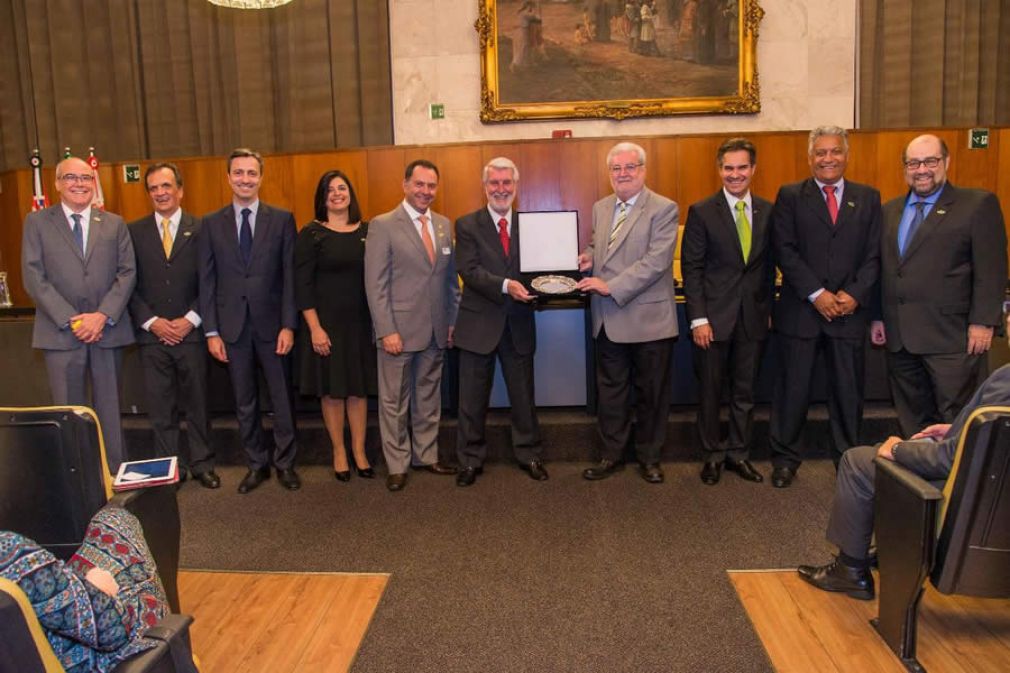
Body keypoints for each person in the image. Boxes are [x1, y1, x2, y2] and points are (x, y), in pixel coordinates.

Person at [798, 360, 1010, 600]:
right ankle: (892, 553)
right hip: (992, 494)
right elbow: (990, 434)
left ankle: (850, 570)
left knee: (858, 461)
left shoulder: (1007, 378)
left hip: (971, 502)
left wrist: (898, 449)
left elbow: (950, 460)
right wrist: (956, 430)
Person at [871, 134, 1007, 437]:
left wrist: (984, 321)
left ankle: (957, 482)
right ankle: (916, 479)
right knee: (912, 420)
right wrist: (878, 316)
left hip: (952, 339)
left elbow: (992, 267)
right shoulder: (889, 210)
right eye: (913, 163)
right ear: (905, 168)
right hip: (901, 338)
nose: (922, 169)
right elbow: (885, 269)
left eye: (930, 161)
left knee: (956, 420)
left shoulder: (977, 204)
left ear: (946, 162)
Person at [768, 126, 882, 488]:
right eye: (820, 153)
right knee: (792, 390)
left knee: (848, 393)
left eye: (834, 152)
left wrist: (855, 294)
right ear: (810, 157)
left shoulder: (868, 197)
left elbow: (875, 254)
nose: (827, 159)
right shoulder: (790, 196)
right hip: (801, 312)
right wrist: (817, 293)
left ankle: (848, 460)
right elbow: (784, 250)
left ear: (847, 156)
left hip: (849, 313)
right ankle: (785, 460)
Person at [21, 156, 136, 472]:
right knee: (69, 410)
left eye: (85, 178)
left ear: (93, 183)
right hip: (61, 333)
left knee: (110, 409)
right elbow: (33, 276)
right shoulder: (37, 223)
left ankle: (114, 473)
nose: (79, 184)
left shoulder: (114, 223)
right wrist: (72, 319)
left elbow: (127, 273)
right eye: (70, 177)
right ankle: (76, 476)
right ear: (57, 183)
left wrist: (102, 315)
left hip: (107, 330)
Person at [199, 148, 301, 494]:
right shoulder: (211, 224)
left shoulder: (282, 219)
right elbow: (207, 281)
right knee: (245, 401)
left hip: (274, 328)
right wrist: (211, 331)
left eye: (251, 173)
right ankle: (256, 464)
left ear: (261, 177)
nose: (245, 179)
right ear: (228, 178)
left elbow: (290, 277)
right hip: (232, 328)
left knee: (281, 399)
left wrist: (289, 325)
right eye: (239, 173)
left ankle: (286, 464)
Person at [576, 142, 679, 484]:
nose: (622, 174)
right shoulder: (601, 207)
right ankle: (611, 456)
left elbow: (656, 262)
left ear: (643, 170)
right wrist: (589, 256)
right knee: (611, 395)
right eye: (616, 169)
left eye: (629, 167)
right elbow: (599, 242)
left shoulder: (664, 208)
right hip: (608, 321)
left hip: (648, 320)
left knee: (651, 395)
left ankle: (649, 458)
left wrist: (611, 286)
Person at [364, 160, 461, 492]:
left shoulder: (444, 225)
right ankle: (397, 464)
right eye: (419, 184)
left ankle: (426, 454)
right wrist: (385, 329)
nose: (426, 191)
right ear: (405, 185)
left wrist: (452, 322)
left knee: (428, 397)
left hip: (436, 329)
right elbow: (374, 285)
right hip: (398, 333)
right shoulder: (383, 225)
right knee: (394, 401)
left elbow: (450, 282)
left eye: (431, 186)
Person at [682, 138, 772, 486]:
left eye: (742, 168)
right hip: (713, 320)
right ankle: (712, 456)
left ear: (753, 169)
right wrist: (699, 318)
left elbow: (767, 266)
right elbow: (692, 269)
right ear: (719, 170)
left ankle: (739, 453)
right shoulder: (702, 211)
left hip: (753, 318)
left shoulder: (768, 210)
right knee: (710, 392)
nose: (735, 175)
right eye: (728, 168)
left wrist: (767, 309)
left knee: (745, 392)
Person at [453, 157, 547, 487]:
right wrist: (507, 286)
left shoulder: (532, 226)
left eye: (507, 183)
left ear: (516, 187)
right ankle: (468, 461)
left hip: (519, 323)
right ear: (484, 187)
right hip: (478, 325)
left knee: (524, 397)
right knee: (471, 400)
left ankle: (530, 454)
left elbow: (542, 268)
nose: (501, 189)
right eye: (494, 183)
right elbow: (470, 271)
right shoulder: (466, 225)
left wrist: (560, 273)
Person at [128, 163, 219, 489]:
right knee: (161, 408)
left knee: (197, 403)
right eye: (154, 188)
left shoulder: (203, 227)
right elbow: (128, 283)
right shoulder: (133, 232)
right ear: (149, 194)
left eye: (166, 186)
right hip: (152, 338)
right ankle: (169, 469)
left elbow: (211, 280)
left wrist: (191, 319)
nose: (161, 193)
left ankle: (202, 463)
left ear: (180, 190)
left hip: (191, 333)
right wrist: (152, 322)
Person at [0, 507, 175, 673]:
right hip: (91, 662)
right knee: (116, 521)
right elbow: (113, 633)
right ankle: (171, 651)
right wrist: (99, 587)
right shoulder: (11, 553)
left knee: (110, 525)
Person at [295, 171, 377, 482]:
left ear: (351, 193)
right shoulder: (311, 233)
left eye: (342, 188)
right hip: (324, 325)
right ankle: (339, 451)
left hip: (360, 323)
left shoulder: (368, 231)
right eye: (330, 190)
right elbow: (302, 285)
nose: (337, 194)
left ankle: (359, 451)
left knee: (358, 389)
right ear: (322, 197)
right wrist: (314, 328)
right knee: (331, 390)